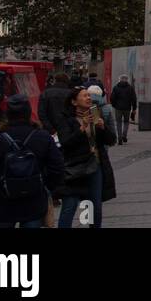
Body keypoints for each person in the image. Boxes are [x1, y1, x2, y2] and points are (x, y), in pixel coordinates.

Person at [0, 94, 64, 229]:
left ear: (8, 114)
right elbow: (57, 167)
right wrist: (45, 186)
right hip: (33, 199)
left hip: (3, 201)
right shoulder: (42, 137)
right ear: (29, 113)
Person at [54, 86, 116, 229]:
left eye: (89, 95)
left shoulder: (95, 115)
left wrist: (102, 127)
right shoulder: (66, 120)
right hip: (75, 169)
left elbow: (111, 140)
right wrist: (82, 129)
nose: (88, 98)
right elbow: (66, 143)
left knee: (94, 207)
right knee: (70, 206)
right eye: (84, 96)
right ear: (74, 102)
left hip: (95, 166)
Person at [110, 75, 137, 144]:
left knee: (118, 123)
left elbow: (112, 98)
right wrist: (134, 108)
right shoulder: (130, 88)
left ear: (120, 80)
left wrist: (114, 105)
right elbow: (134, 99)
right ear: (127, 80)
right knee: (126, 122)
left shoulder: (116, 88)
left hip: (118, 108)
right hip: (127, 108)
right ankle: (124, 135)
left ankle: (119, 138)